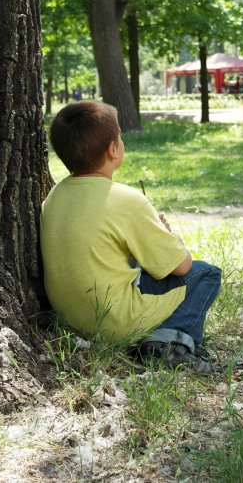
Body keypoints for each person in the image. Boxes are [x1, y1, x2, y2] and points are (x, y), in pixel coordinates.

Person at [40, 101, 221, 372]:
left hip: (71, 321)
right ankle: (171, 345)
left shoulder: (54, 197)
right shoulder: (126, 200)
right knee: (205, 274)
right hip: (115, 322)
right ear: (113, 149)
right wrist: (169, 237)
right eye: (120, 137)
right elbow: (181, 266)